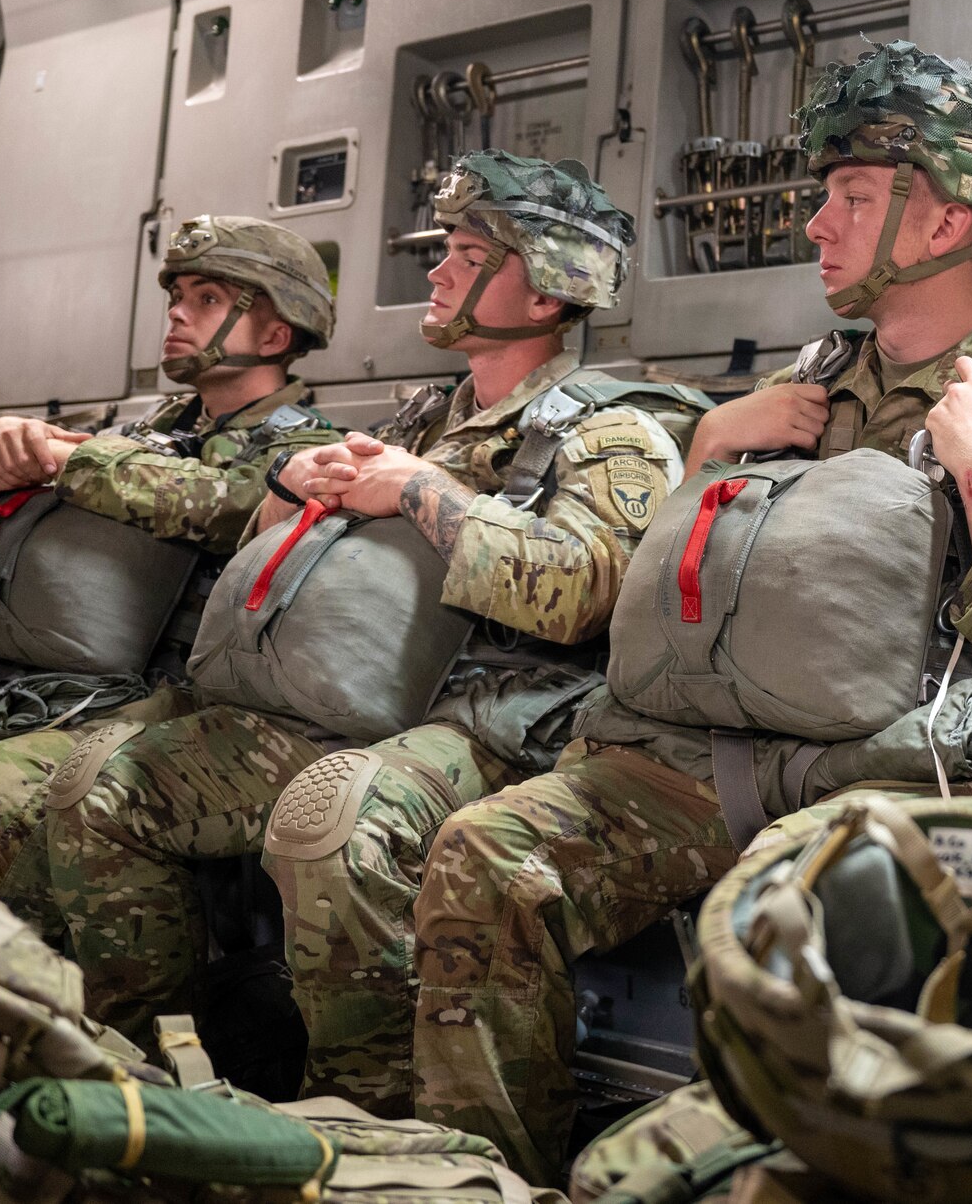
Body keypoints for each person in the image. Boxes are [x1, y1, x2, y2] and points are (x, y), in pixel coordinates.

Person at [405, 40, 972, 1181]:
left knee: (802, 903)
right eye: (822, 197)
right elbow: (657, 606)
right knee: (487, 849)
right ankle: (476, 1173)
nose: (814, 224)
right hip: (706, 749)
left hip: (893, 775)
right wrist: (708, 451)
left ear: (948, 222)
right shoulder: (798, 390)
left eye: (851, 197)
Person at [41, 154, 697, 1067]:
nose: (438, 271)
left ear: (547, 294)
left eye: (470, 256)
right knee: (95, 782)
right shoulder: (425, 417)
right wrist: (296, 483)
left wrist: (423, 492)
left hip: (491, 717)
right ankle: (150, 1070)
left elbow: (587, 593)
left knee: (334, 823)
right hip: (356, 690)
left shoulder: (613, 428)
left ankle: (372, 1115)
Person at [0, 214, 341, 929]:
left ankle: (37, 1004)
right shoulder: (151, 429)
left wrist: (69, 459)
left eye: (208, 298)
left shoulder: (313, 450)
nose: (177, 310)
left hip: (168, 705)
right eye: (176, 294)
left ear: (274, 336)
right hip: (55, 684)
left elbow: (223, 504)